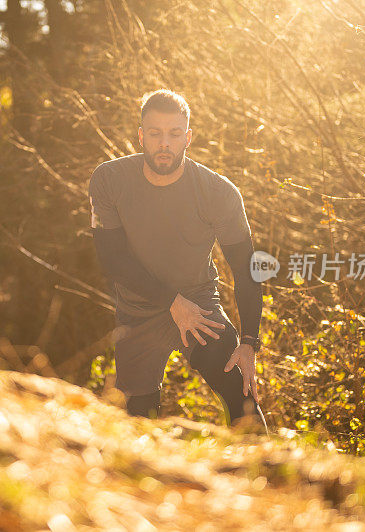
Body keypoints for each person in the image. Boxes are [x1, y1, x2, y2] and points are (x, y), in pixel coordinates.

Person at [88, 89, 268, 432]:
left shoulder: (218, 193)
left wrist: (249, 343)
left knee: (241, 396)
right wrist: (171, 301)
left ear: (188, 137)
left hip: (199, 310)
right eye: (154, 134)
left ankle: (271, 478)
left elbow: (247, 270)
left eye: (173, 134)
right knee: (137, 421)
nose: (164, 144)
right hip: (138, 312)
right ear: (141, 136)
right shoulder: (109, 179)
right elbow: (112, 259)